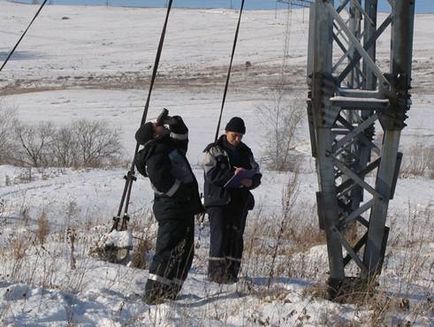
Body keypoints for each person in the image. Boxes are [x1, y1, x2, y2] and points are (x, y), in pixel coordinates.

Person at [134, 109, 203, 304]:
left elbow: (182, 136)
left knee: (185, 251)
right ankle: (154, 295)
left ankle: (170, 292)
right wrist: (184, 193)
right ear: (154, 135)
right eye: (158, 125)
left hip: (182, 208)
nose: (162, 125)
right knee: (166, 251)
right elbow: (162, 181)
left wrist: (173, 121)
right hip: (172, 209)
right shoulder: (155, 154)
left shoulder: (168, 146)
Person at [202, 117, 262, 284]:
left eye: (240, 136)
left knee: (236, 237)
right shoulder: (213, 150)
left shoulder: (246, 151)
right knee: (219, 237)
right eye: (234, 135)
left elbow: (256, 171)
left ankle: (231, 274)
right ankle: (216, 276)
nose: (237, 139)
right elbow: (212, 174)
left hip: (239, 201)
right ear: (226, 132)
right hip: (218, 200)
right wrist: (232, 176)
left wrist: (251, 181)